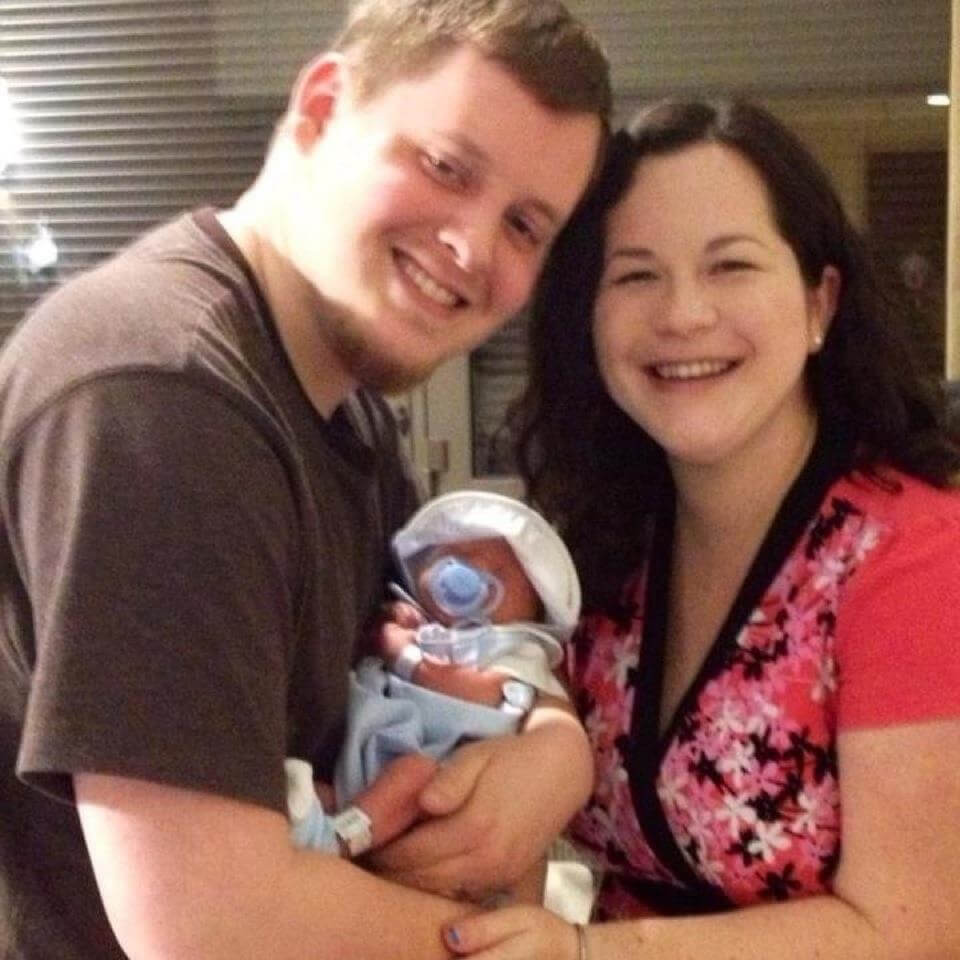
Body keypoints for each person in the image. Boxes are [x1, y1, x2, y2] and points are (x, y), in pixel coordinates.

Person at [0, 1, 610, 956]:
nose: (473, 248)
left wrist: (556, 745)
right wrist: (537, 947)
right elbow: (211, 925)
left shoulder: (341, 405)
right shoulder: (166, 397)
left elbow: (461, 624)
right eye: (446, 166)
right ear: (323, 109)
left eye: (526, 224)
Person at [440, 99, 960, 959]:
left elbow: (916, 930)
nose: (682, 314)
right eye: (636, 275)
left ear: (820, 302)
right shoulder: (610, 540)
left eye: (731, 266)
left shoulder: (918, 558)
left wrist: (585, 954)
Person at [286, 490, 581, 870]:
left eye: (498, 572)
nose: (467, 572)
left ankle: (338, 840)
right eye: (451, 556)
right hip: (365, 754)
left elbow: (483, 689)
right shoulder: (413, 617)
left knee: (410, 778)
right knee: (315, 790)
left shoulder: (515, 648)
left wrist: (408, 659)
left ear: (534, 608)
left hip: (434, 769)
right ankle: (306, 821)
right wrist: (395, 627)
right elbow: (372, 639)